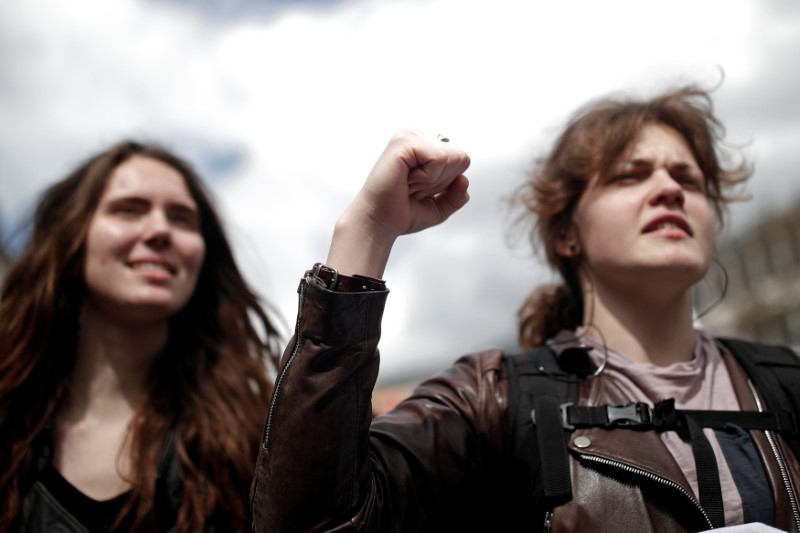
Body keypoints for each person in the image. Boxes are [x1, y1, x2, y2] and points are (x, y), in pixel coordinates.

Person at [250, 85, 800, 532]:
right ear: (566, 233)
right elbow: (314, 522)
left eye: (688, 179)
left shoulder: (785, 383)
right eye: (630, 176)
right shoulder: (491, 396)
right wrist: (367, 235)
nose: (669, 190)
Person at [0, 141, 282, 532]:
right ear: (71, 237)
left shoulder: (262, 434)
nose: (159, 230)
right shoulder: (9, 419)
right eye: (128, 209)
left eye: (182, 218)